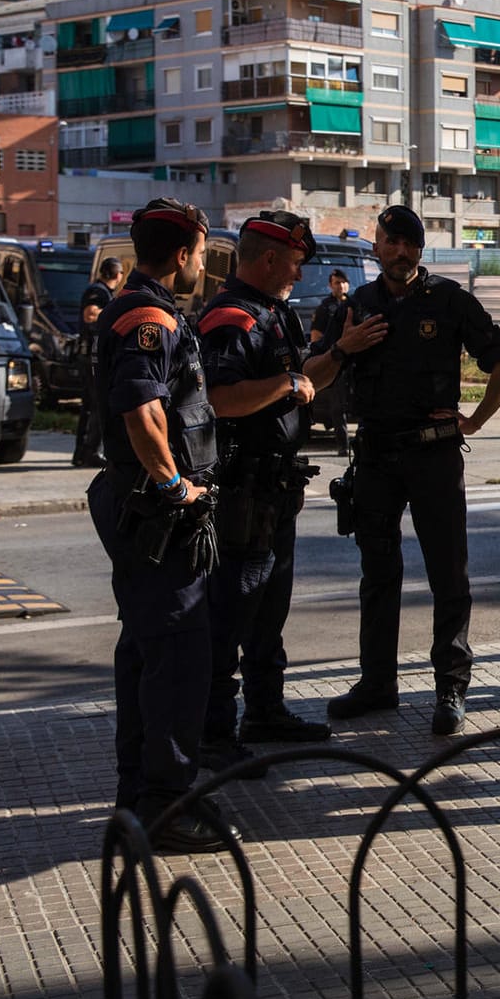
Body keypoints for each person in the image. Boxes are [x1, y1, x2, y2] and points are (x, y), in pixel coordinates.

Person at [307, 205, 500, 736]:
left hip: (434, 455)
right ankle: (378, 682)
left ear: (420, 251)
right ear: (377, 248)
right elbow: (312, 376)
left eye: (410, 243)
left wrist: (475, 420)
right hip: (375, 456)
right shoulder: (357, 304)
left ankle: (451, 685)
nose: (401, 251)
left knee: (449, 573)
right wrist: (343, 346)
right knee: (378, 575)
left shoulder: (448, 300)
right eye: (392, 242)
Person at [87, 197, 237, 854]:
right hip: (158, 516)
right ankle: (168, 805)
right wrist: (179, 489)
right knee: (176, 656)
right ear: (181, 254)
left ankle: (137, 796)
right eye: (202, 253)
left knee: (145, 652)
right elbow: (141, 411)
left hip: (145, 509)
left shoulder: (140, 307)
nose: (203, 265)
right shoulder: (149, 316)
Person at [196, 211, 331, 776]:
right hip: (241, 489)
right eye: (296, 262)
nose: (301, 274)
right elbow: (222, 399)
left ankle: (266, 712)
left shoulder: (274, 314)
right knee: (231, 611)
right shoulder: (230, 318)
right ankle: (212, 734)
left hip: (275, 486)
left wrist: (342, 353)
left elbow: (303, 378)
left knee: (269, 609)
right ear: (270, 258)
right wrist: (284, 385)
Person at [72, 256, 124, 467]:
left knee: (91, 405)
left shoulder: (105, 293)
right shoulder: (98, 292)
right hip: (91, 356)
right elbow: (90, 315)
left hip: (94, 354)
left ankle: (83, 452)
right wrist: (116, 311)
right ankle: (89, 451)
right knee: (96, 405)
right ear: (116, 274)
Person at [310, 269, 354, 455]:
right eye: (337, 283)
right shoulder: (325, 307)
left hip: (353, 364)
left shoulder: (355, 304)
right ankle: (343, 446)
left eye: (343, 282)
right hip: (335, 361)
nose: (341, 286)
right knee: (337, 408)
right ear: (330, 285)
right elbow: (316, 336)